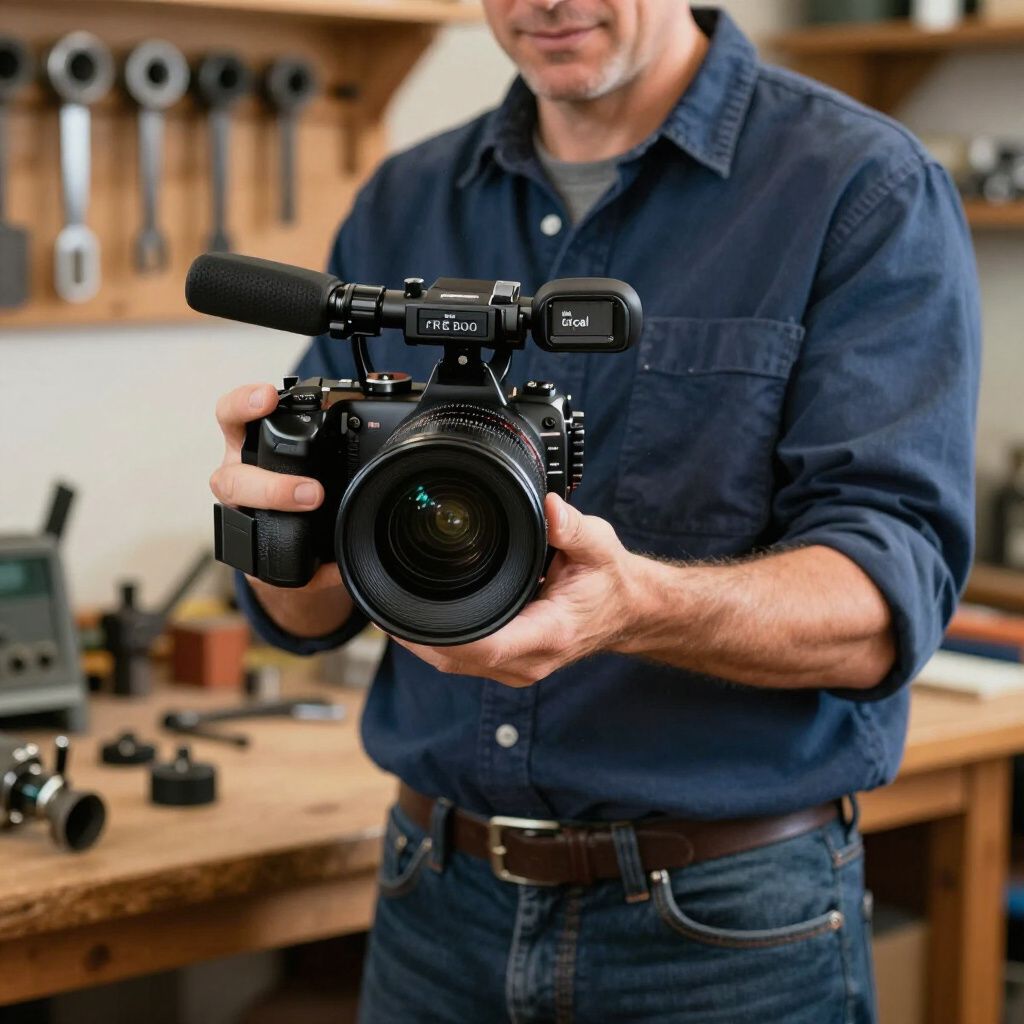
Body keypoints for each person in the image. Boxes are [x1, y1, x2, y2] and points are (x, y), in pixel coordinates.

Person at [210, 2, 979, 1020]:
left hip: (722, 933)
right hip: (431, 898)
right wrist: (276, 521)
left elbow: (886, 602)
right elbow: (311, 613)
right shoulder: (407, 196)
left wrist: (635, 606)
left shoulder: (856, 186)